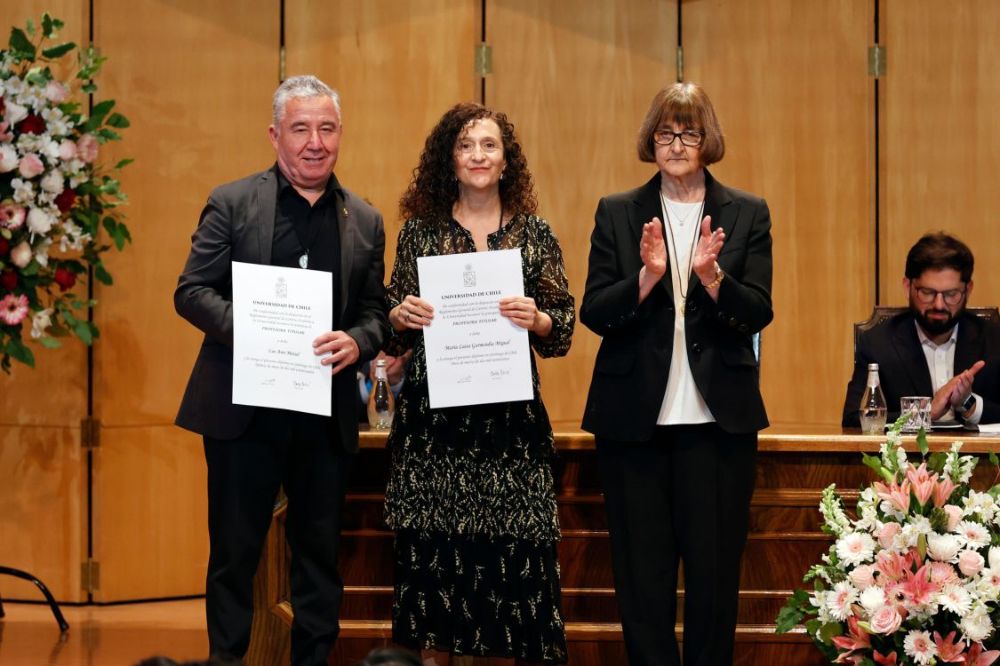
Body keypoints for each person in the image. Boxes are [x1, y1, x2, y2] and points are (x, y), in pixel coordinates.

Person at [174, 75, 388, 666]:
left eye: (326, 128)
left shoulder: (365, 221)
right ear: (275, 136)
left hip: (324, 416)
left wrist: (360, 340)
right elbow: (191, 291)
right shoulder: (233, 202)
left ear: (340, 134)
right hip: (244, 414)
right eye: (300, 129)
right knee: (233, 558)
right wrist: (259, 331)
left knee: (319, 558)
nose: (314, 142)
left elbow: (376, 311)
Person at [580, 82, 773, 665]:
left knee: (715, 584)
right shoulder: (619, 211)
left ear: (707, 138)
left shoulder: (747, 211)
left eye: (688, 132)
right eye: (665, 133)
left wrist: (713, 278)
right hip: (635, 426)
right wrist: (645, 279)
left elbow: (758, 309)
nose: (676, 144)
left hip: (718, 427)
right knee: (642, 582)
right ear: (651, 140)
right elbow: (593, 310)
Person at [382, 102, 574, 665]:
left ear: (507, 159)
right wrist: (399, 316)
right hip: (433, 431)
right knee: (436, 568)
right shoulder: (418, 234)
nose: (478, 156)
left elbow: (561, 330)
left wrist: (535, 317)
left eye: (489, 145)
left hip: (509, 434)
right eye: (466, 145)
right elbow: (393, 324)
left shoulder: (534, 235)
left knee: (513, 571)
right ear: (450, 159)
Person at [842, 232, 1000, 427]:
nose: (939, 305)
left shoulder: (994, 340)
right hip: (906, 457)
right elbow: (852, 420)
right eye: (927, 292)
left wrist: (970, 404)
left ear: (968, 290)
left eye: (951, 294)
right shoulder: (878, 344)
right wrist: (923, 413)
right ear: (908, 286)